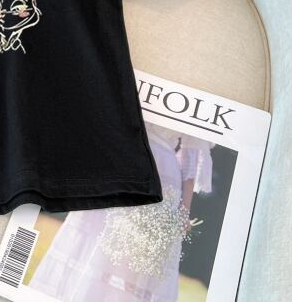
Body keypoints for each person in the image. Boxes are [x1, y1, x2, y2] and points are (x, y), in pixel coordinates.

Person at [28, 122, 214, 301]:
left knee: (132, 264)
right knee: (95, 237)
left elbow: (191, 156)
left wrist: (183, 212)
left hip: (162, 177)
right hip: (119, 156)